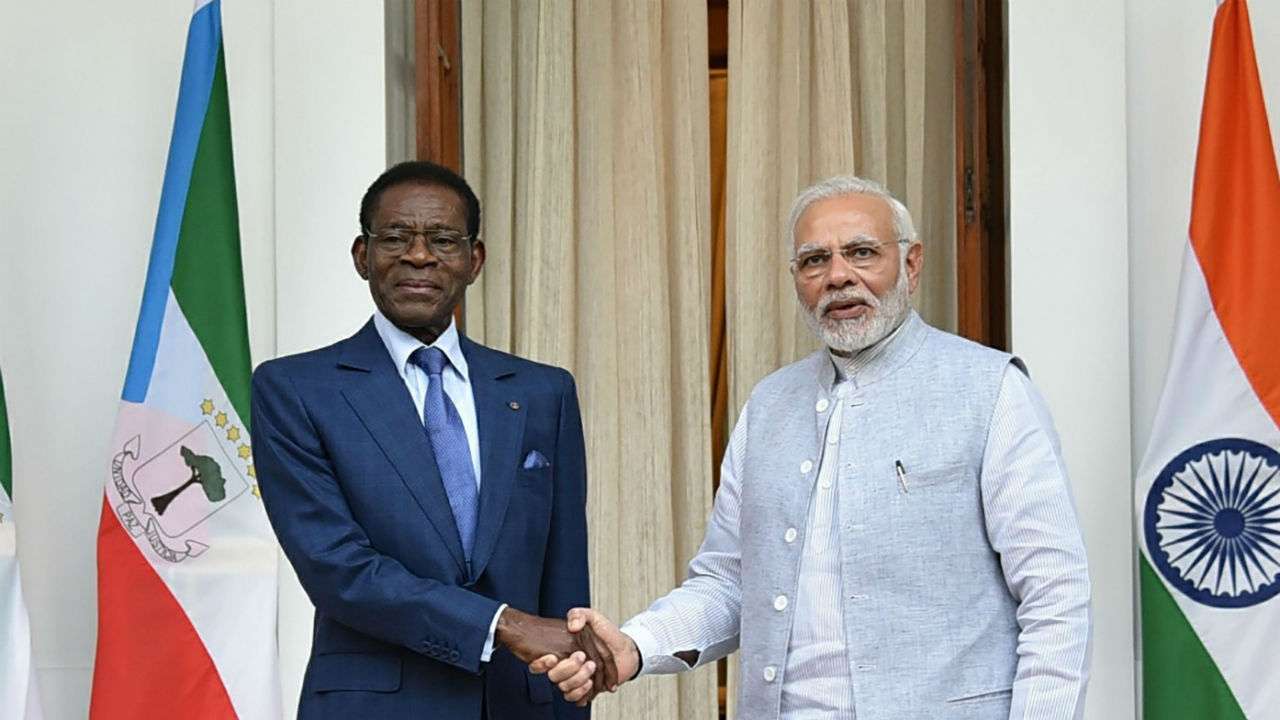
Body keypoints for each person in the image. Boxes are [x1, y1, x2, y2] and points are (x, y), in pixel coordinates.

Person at [536, 175, 1092, 719]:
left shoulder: (989, 389)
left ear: (911, 264)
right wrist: (634, 647)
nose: (838, 277)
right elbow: (730, 582)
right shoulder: (770, 404)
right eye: (814, 261)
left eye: (862, 252)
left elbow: (1055, 596)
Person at [251, 161, 605, 719]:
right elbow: (336, 567)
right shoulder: (295, 389)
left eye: (443, 239)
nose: (419, 255)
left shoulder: (543, 392)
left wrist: (570, 686)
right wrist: (502, 625)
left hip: (522, 704)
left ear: (474, 260)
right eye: (396, 237)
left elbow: (563, 577)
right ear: (362, 256)